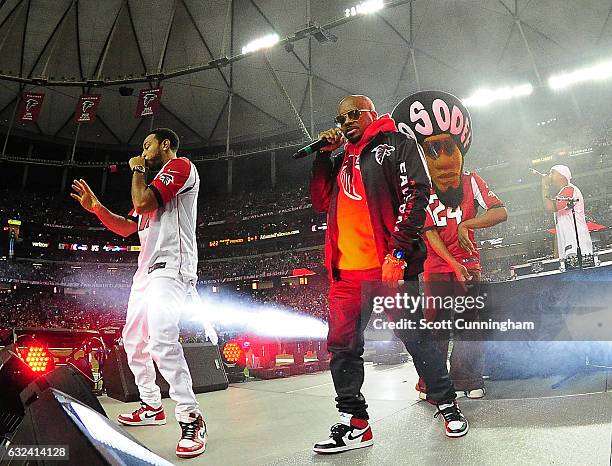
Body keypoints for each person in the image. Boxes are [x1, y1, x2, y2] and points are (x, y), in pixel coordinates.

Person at [310, 95, 469, 454]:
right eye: (340, 116)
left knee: (415, 335)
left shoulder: (395, 143)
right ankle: (356, 424)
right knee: (342, 346)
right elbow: (320, 201)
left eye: (353, 114)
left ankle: (446, 404)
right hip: (346, 274)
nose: (346, 120)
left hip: (387, 266)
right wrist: (322, 157)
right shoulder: (339, 160)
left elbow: (418, 192)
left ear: (370, 114)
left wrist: (397, 251)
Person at [70, 128, 207, 459]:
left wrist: (136, 167)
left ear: (164, 145)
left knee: (161, 340)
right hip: (146, 273)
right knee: (133, 341)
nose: (143, 151)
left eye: (147, 146)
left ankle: (191, 417)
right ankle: (151, 406)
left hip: (172, 265)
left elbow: (140, 201)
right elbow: (128, 225)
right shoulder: (155, 184)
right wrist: (97, 208)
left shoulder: (180, 167)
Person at [393, 91, 507, 400]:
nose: (444, 158)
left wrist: (468, 224)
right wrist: (452, 262)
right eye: (433, 150)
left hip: (469, 265)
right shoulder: (421, 189)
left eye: (449, 148)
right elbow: (428, 232)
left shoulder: (472, 181)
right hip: (438, 267)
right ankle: (432, 383)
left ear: (460, 150)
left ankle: (467, 379)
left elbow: (501, 210)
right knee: (438, 328)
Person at [541, 164, 593, 260]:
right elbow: (559, 226)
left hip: (576, 241)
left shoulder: (569, 189)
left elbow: (549, 207)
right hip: (568, 242)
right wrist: (557, 252)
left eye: (552, 173)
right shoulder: (562, 193)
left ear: (562, 175)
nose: (549, 175)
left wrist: (545, 186)